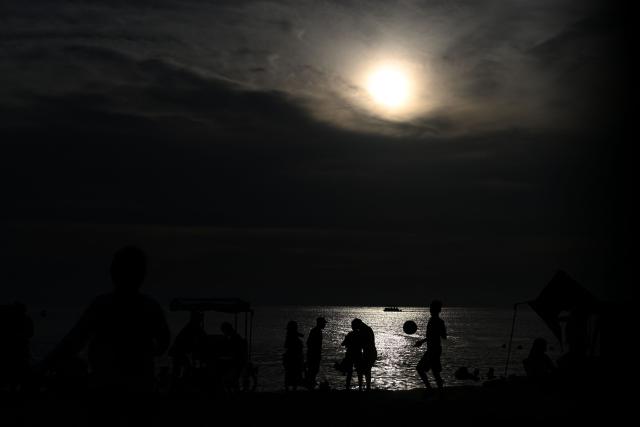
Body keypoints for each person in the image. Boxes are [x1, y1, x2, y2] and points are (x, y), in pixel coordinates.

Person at [41, 246, 171, 392]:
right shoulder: (150, 307)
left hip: (105, 385)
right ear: (142, 275)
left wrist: (43, 366)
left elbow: (74, 340)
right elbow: (163, 343)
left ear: (114, 273)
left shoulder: (102, 305)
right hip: (140, 385)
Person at [415, 299, 447, 394]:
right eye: (430, 307)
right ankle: (439, 392)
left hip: (433, 350)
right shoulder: (433, 320)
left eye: (432, 308)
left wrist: (439, 331)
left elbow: (442, 336)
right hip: (434, 349)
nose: (430, 309)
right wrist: (422, 341)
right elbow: (436, 336)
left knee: (420, 369)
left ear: (436, 309)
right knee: (435, 372)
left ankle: (430, 390)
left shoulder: (437, 321)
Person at [0, 301, 34, 391]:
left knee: (16, 367)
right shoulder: (23, 319)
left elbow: (30, 333)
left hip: (18, 347)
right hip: (17, 347)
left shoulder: (14, 319)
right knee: (17, 367)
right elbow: (30, 333)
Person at [169, 310, 206, 387]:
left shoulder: (191, 326)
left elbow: (201, 336)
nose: (200, 321)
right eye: (200, 319)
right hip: (179, 351)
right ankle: (179, 383)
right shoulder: (193, 327)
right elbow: (201, 336)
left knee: (182, 367)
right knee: (183, 367)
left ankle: (178, 382)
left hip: (180, 351)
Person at [220, 322, 248, 392]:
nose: (224, 333)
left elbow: (235, 352)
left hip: (237, 362)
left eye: (224, 331)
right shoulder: (231, 337)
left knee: (228, 379)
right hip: (236, 360)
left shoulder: (235, 338)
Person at [337, 319, 364, 390]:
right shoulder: (361, 334)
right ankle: (360, 388)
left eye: (352, 325)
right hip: (358, 354)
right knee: (359, 372)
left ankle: (347, 387)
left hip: (350, 354)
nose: (351, 326)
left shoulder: (350, 334)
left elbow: (343, 343)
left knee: (349, 372)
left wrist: (347, 341)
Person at [354, 318, 376, 390]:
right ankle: (366, 387)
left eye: (355, 326)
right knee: (366, 370)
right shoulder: (366, 329)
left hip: (369, 352)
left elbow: (362, 343)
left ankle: (364, 387)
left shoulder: (364, 330)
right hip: (369, 352)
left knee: (364, 370)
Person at [305, 317, 327, 389]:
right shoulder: (315, 331)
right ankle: (310, 386)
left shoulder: (317, 331)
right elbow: (309, 343)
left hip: (314, 355)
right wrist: (314, 353)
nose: (325, 325)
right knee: (313, 371)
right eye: (324, 323)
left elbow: (309, 343)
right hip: (313, 355)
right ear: (320, 323)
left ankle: (310, 385)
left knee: (313, 371)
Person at [283, 320, 304, 391]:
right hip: (293, 357)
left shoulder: (290, 335)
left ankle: (289, 388)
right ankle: (292, 388)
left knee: (291, 373)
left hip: (291, 357)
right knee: (293, 373)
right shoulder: (291, 335)